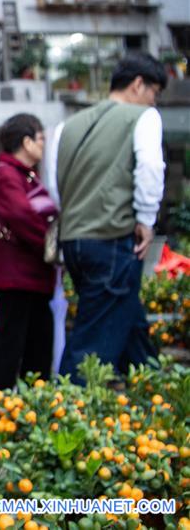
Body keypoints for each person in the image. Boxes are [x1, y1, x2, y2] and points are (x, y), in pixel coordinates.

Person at [48, 53, 167, 383]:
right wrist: (146, 219)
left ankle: (155, 390)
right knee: (93, 337)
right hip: (112, 236)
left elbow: (54, 186)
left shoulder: (66, 127)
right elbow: (150, 168)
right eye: (154, 92)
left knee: (124, 315)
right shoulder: (143, 116)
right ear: (138, 84)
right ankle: (65, 412)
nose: (154, 100)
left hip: (73, 240)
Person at [0, 114, 57, 398]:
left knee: (37, 346)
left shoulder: (24, 174)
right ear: (26, 141)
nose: (43, 145)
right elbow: (22, 217)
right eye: (40, 139)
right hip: (18, 277)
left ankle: (32, 408)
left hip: (32, 277)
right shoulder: (4, 173)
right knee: (11, 347)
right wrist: (53, 247)